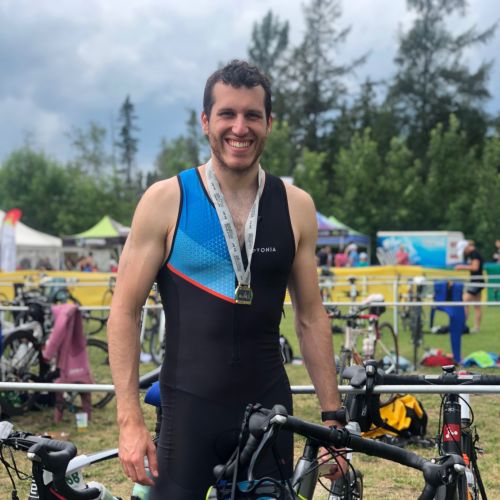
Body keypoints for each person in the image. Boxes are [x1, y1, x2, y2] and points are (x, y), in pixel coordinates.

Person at [107, 60, 345, 499]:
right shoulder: (166, 200)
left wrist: (333, 419)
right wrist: (129, 419)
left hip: (269, 414)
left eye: (252, 115)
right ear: (205, 122)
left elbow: (311, 317)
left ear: (269, 123)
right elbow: (124, 311)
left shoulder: (296, 206)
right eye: (227, 114)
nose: (240, 127)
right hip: (189, 415)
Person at [455, 240, 484, 333]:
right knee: (477, 306)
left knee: (464, 302)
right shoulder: (472, 254)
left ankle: (462, 325)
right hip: (476, 281)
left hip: (477, 281)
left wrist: (461, 267)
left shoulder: (475, 254)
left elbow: (475, 267)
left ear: (466, 247)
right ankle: (476, 328)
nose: (464, 253)